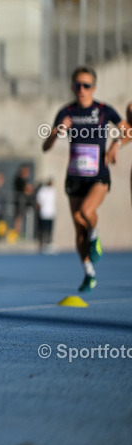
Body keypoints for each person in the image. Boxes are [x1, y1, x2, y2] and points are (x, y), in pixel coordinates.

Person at [42, 66, 131, 292]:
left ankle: (95, 236)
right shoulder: (66, 112)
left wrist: (115, 145)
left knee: (86, 213)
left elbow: (128, 131)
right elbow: (45, 147)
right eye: (77, 85)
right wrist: (57, 132)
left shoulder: (104, 111)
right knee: (78, 230)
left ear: (94, 87)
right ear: (72, 87)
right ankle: (89, 272)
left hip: (98, 175)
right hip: (74, 177)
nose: (81, 90)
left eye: (86, 85)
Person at [34, 178, 56, 254]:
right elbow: (39, 202)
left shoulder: (52, 190)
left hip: (49, 213)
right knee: (44, 230)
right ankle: (43, 244)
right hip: (44, 213)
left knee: (48, 230)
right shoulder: (43, 190)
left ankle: (48, 244)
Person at [11, 165, 33, 237]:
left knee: (21, 218)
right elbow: (27, 189)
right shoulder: (19, 179)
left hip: (22, 203)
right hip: (19, 202)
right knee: (18, 218)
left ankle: (19, 233)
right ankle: (17, 233)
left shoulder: (24, 180)